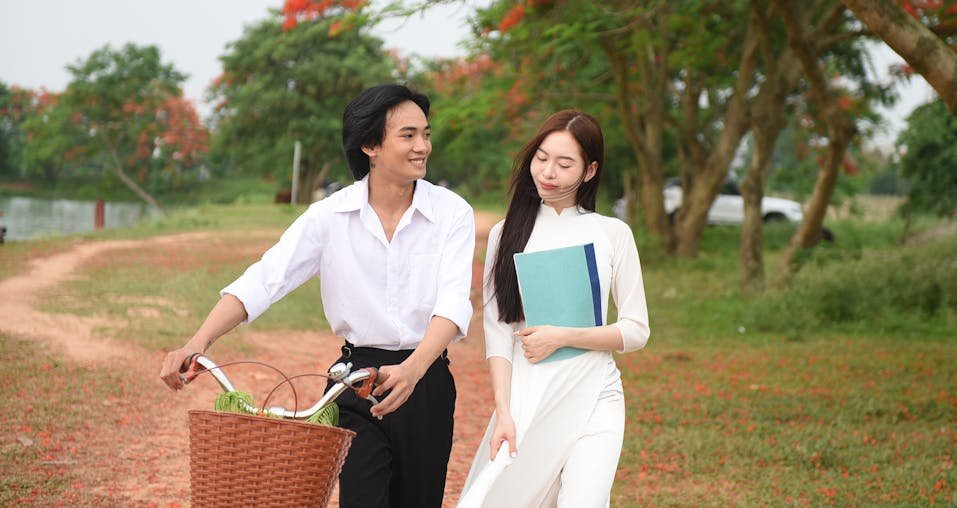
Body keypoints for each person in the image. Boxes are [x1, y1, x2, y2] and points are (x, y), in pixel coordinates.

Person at [159, 84, 475, 508]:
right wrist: (198, 341)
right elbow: (265, 279)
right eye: (408, 135)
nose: (423, 146)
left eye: (426, 134)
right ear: (370, 146)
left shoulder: (453, 213)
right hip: (355, 383)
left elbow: (453, 303)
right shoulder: (329, 216)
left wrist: (415, 369)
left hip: (426, 379)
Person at [458, 110, 650, 507]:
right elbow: (497, 335)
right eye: (541, 158)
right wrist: (504, 412)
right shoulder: (506, 234)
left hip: (597, 393)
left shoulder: (612, 234)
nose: (548, 172)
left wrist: (564, 336)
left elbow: (635, 330)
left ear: (590, 170)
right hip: (531, 397)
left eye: (565, 164)